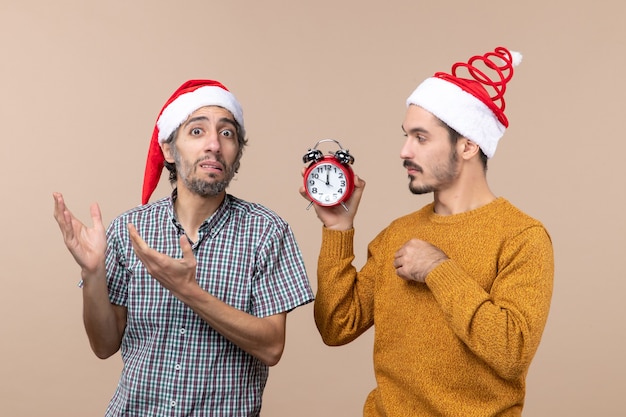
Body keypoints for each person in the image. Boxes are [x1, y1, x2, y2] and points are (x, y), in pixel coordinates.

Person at [302, 47, 554, 416]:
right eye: (406, 136)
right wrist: (339, 229)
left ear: (468, 144)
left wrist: (439, 270)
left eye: (421, 138)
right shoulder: (396, 234)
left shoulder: (523, 237)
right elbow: (336, 326)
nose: (404, 150)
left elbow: (511, 352)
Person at [53, 79, 314, 416]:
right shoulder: (130, 230)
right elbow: (104, 346)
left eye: (227, 133)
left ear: (236, 153)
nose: (214, 146)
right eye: (196, 132)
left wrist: (188, 290)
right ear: (167, 150)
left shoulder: (267, 231)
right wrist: (92, 272)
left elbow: (271, 346)